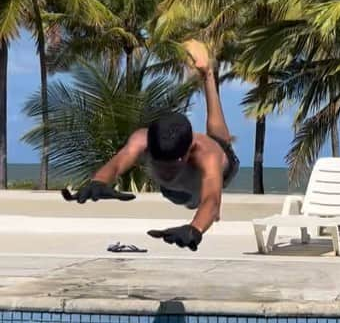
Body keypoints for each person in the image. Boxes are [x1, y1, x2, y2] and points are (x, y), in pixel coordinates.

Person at [66, 41, 239, 251]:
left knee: (219, 141)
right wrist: (99, 181)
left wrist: (195, 229)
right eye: (160, 164)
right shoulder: (142, 140)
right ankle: (207, 73)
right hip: (180, 189)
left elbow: (212, 201)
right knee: (213, 142)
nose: (165, 172)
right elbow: (119, 161)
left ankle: (208, 75)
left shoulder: (206, 156)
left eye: (171, 166)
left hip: (213, 173)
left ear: (186, 154)